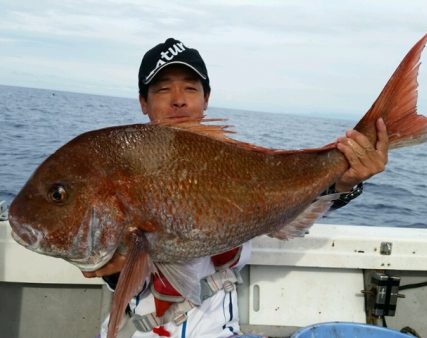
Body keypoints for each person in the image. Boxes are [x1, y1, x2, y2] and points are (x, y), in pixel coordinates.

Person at [96, 38, 388, 338]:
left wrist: (346, 182)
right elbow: (119, 267)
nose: (178, 99)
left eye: (191, 87)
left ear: (206, 99)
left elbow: (289, 196)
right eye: (162, 89)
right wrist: (112, 266)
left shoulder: (237, 162)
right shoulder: (123, 172)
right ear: (143, 102)